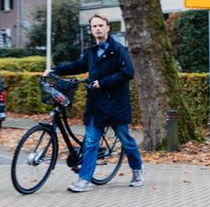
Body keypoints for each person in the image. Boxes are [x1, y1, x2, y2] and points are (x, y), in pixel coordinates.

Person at [44, 14, 144, 193]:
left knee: (126, 140)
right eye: (94, 26)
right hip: (96, 104)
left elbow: (128, 72)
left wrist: (104, 82)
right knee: (90, 142)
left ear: (107, 28)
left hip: (115, 104)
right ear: (91, 30)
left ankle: (137, 169)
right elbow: (76, 66)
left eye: (100, 25)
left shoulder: (118, 49)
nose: (97, 29)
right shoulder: (91, 52)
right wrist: (54, 70)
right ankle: (84, 179)